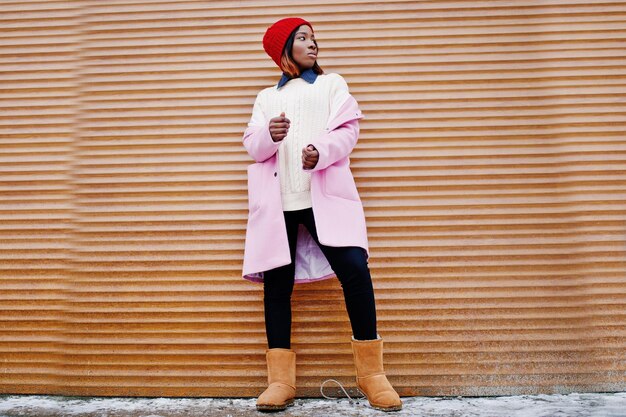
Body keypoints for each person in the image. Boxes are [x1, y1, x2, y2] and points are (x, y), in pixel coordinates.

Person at [241, 16, 402, 413]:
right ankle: (280, 382)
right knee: (277, 286)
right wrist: (269, 136)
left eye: (313, 38)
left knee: (354, 269)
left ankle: (372, 377)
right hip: (279, 201)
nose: (312, 44)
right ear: (284, 51)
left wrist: (320, 152)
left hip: (322, 197)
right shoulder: (265, 97)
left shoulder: (333, 84)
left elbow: (348, 131)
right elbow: (252, 144)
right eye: (302, 38)